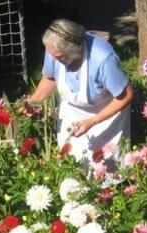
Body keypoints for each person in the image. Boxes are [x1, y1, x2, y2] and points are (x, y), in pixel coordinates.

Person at [28, 19, 133, 167]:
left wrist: (93, 121)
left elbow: (126, 95)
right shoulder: (53, 48)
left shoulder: (102, 59)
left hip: (106, 116)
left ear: (74, 51)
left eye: (57, 57)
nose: (52, 59)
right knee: (70, 165)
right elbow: (50, 78)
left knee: (104, 169)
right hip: (73, 115)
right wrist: (32, 103)